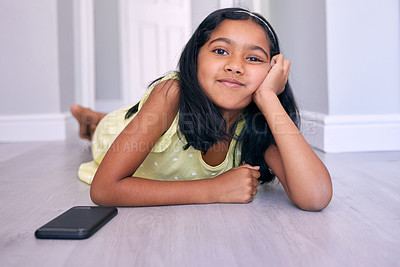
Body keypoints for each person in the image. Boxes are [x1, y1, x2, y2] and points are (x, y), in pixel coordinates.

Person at [71, 8, 332, 210]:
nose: (235, 66)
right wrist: (213, 190)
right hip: (116, 135)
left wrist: (268, 98)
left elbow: (316, 196)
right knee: (106, 128)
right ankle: (94, 121)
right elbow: (104, 190)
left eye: (253, 58)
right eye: (220, 50)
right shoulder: (172, 92)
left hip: (149, 127)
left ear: (272, 71)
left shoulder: (256, 122)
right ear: (195, 57)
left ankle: (92, 119)